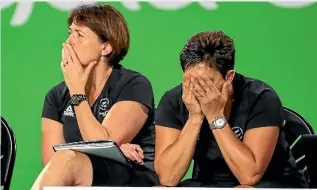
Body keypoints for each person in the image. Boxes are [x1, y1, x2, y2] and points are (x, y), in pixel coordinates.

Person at [154, 30, 308, 188]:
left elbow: (249, 176)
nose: (197, 89)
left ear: (229, 77)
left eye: (206, 82)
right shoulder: (173, 100)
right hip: (209, 183)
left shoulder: (261, 98)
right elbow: (167, 178)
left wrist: (215, 116)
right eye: (191, 81)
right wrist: (195, 118)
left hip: (271, 182)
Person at [31, 4, 158, 189]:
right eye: (70, 33)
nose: (68, 42)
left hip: (131, 177)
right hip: (83, 175)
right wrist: (117, 149)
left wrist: (77, 93)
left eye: (79, 35)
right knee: (64, 159)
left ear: (105, 47)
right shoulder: (56, 95)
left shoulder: (134, 85)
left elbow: (102, 145)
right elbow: (52, 163)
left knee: (67, 157)